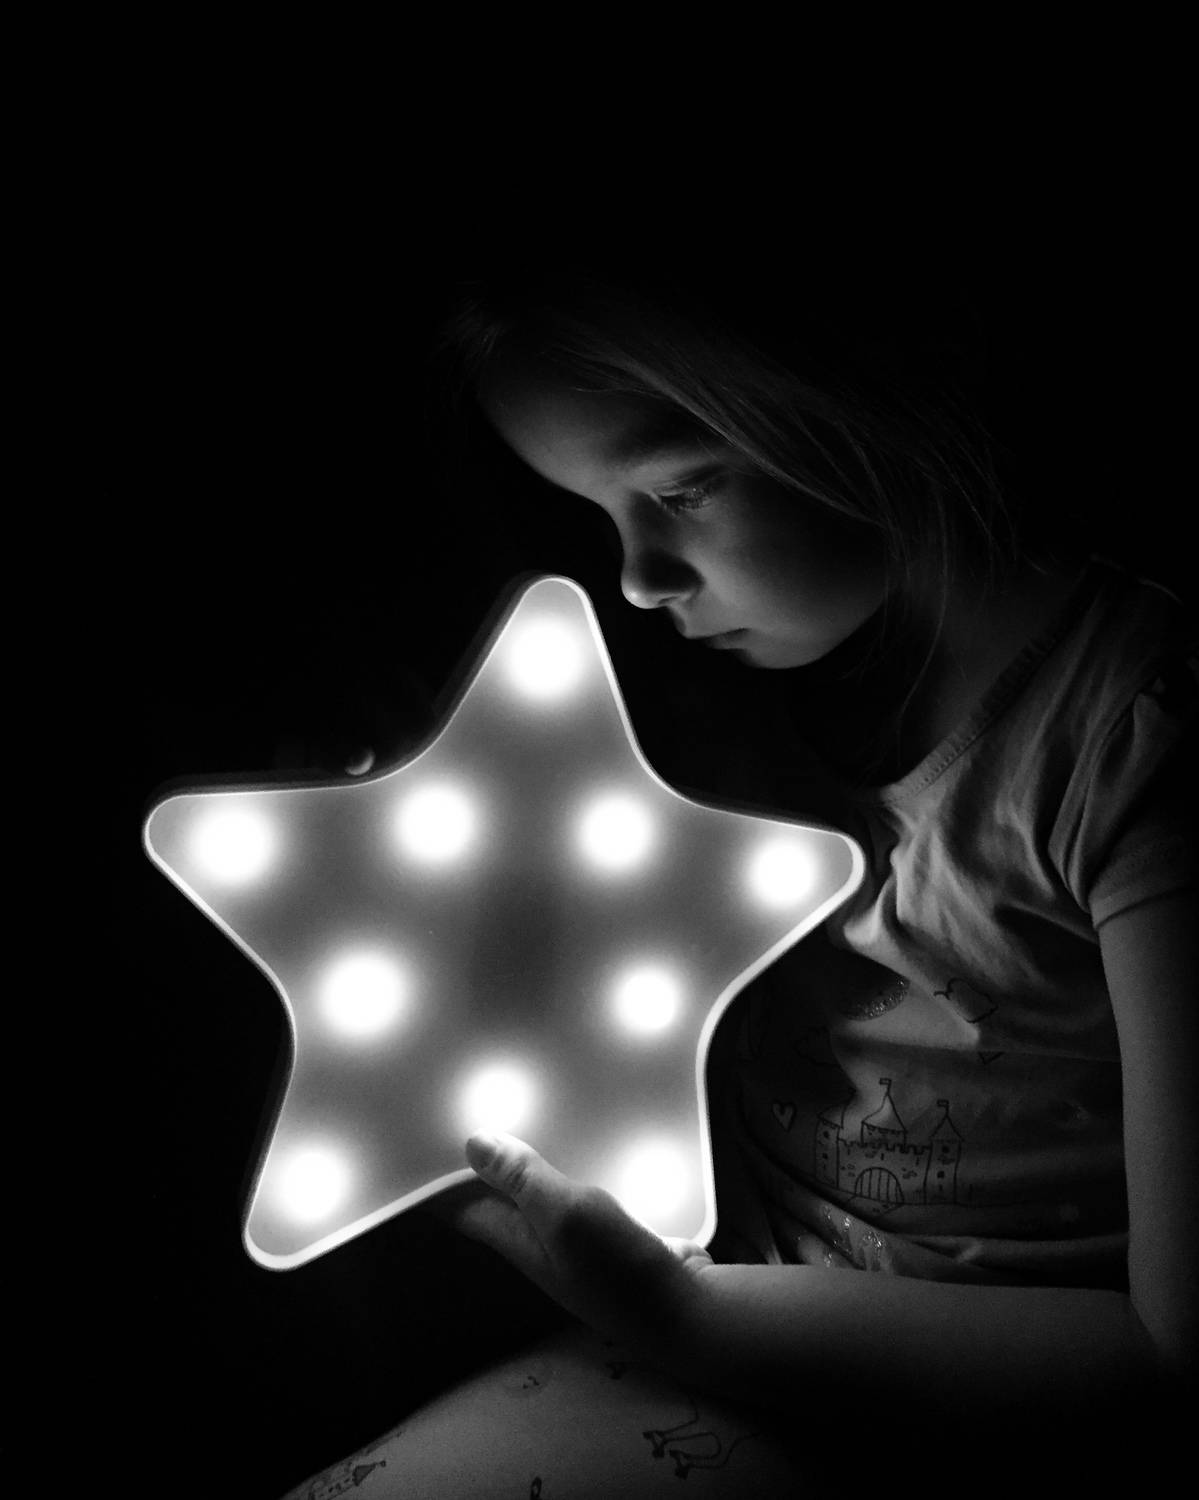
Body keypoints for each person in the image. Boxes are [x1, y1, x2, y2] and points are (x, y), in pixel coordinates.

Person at [280, 249, 1196, 1498]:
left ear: (872, 389)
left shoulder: (1133, 746)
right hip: (710, 1330)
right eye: (599, 513)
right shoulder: (732, 696)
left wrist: (677, 1314)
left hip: (988, 1407)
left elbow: (1174, 1362)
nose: (638, 579)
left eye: (681, 488)